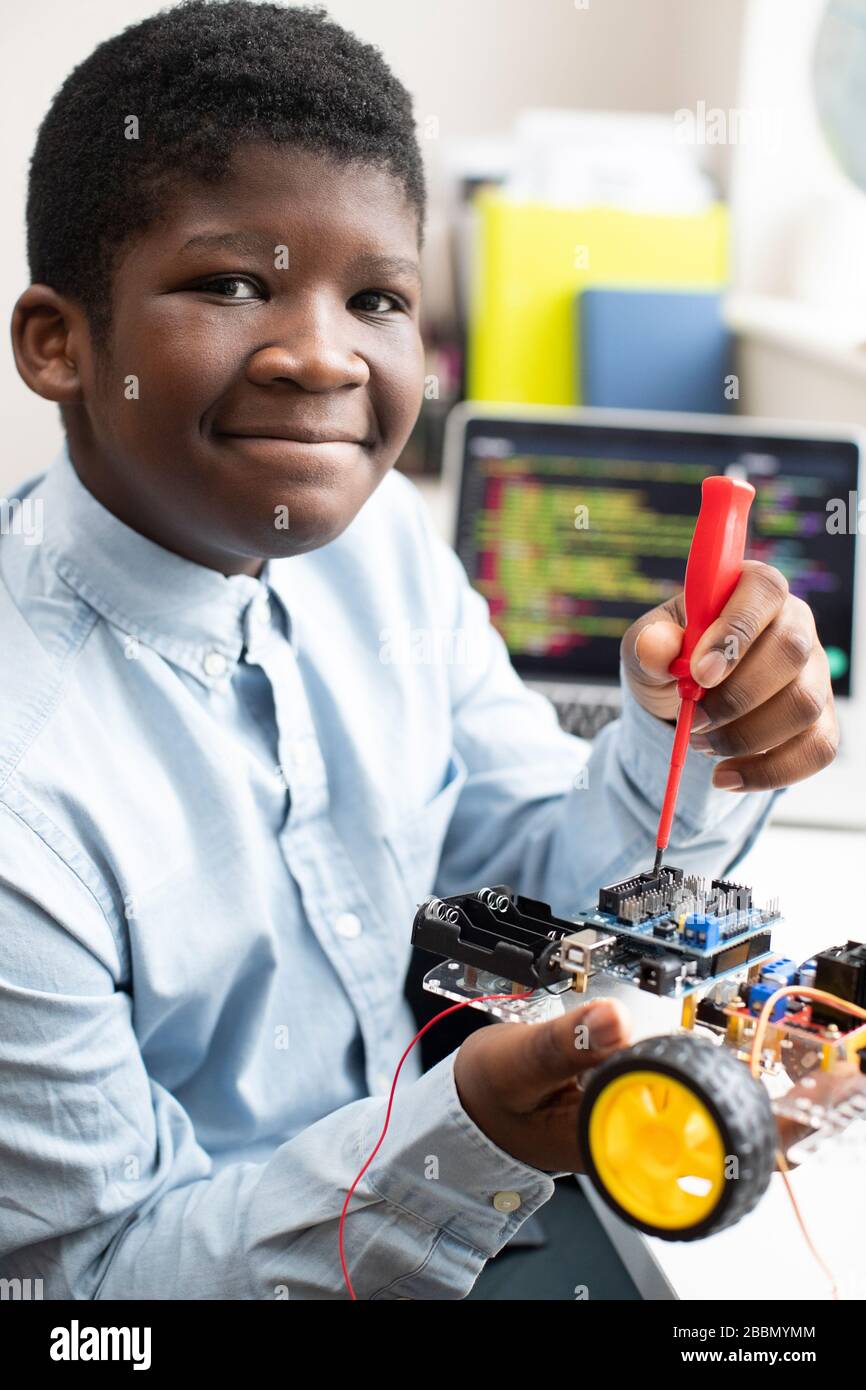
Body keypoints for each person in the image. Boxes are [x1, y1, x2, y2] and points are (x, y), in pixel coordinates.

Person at [1, 0, 837, 1300]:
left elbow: (536, 922)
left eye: (377, 296)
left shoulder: (380, 543)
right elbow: (95, 1294)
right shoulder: (23, 793)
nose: (323, 355)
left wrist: (688, 746)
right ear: (58, 343)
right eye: (231, 282)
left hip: (450, 1191)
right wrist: (468, 1135)